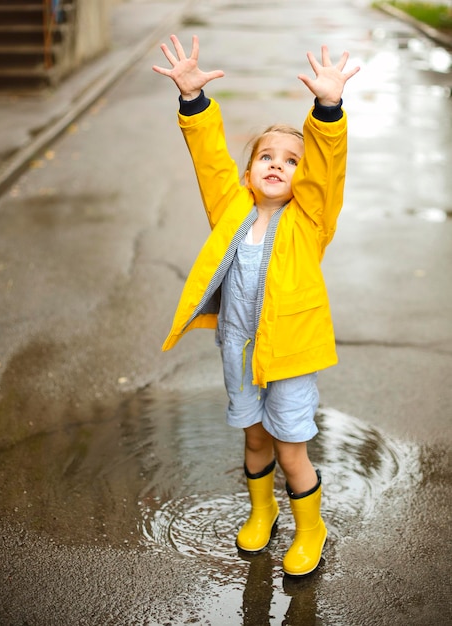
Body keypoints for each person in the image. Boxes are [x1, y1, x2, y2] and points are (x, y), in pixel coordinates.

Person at [152, 34, 359, 576]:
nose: (276, 164)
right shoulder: (232, 210)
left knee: (291, 449)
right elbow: (211, 162)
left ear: (302, 179)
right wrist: (194, 103)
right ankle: (262, 511)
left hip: (289, 354)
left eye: (291, 161)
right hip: (241, 350)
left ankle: (310, 526)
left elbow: (327, 169)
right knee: (254, 437)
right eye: (265, 156)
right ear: (249, 174)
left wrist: (328, 109)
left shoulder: (310, 221)